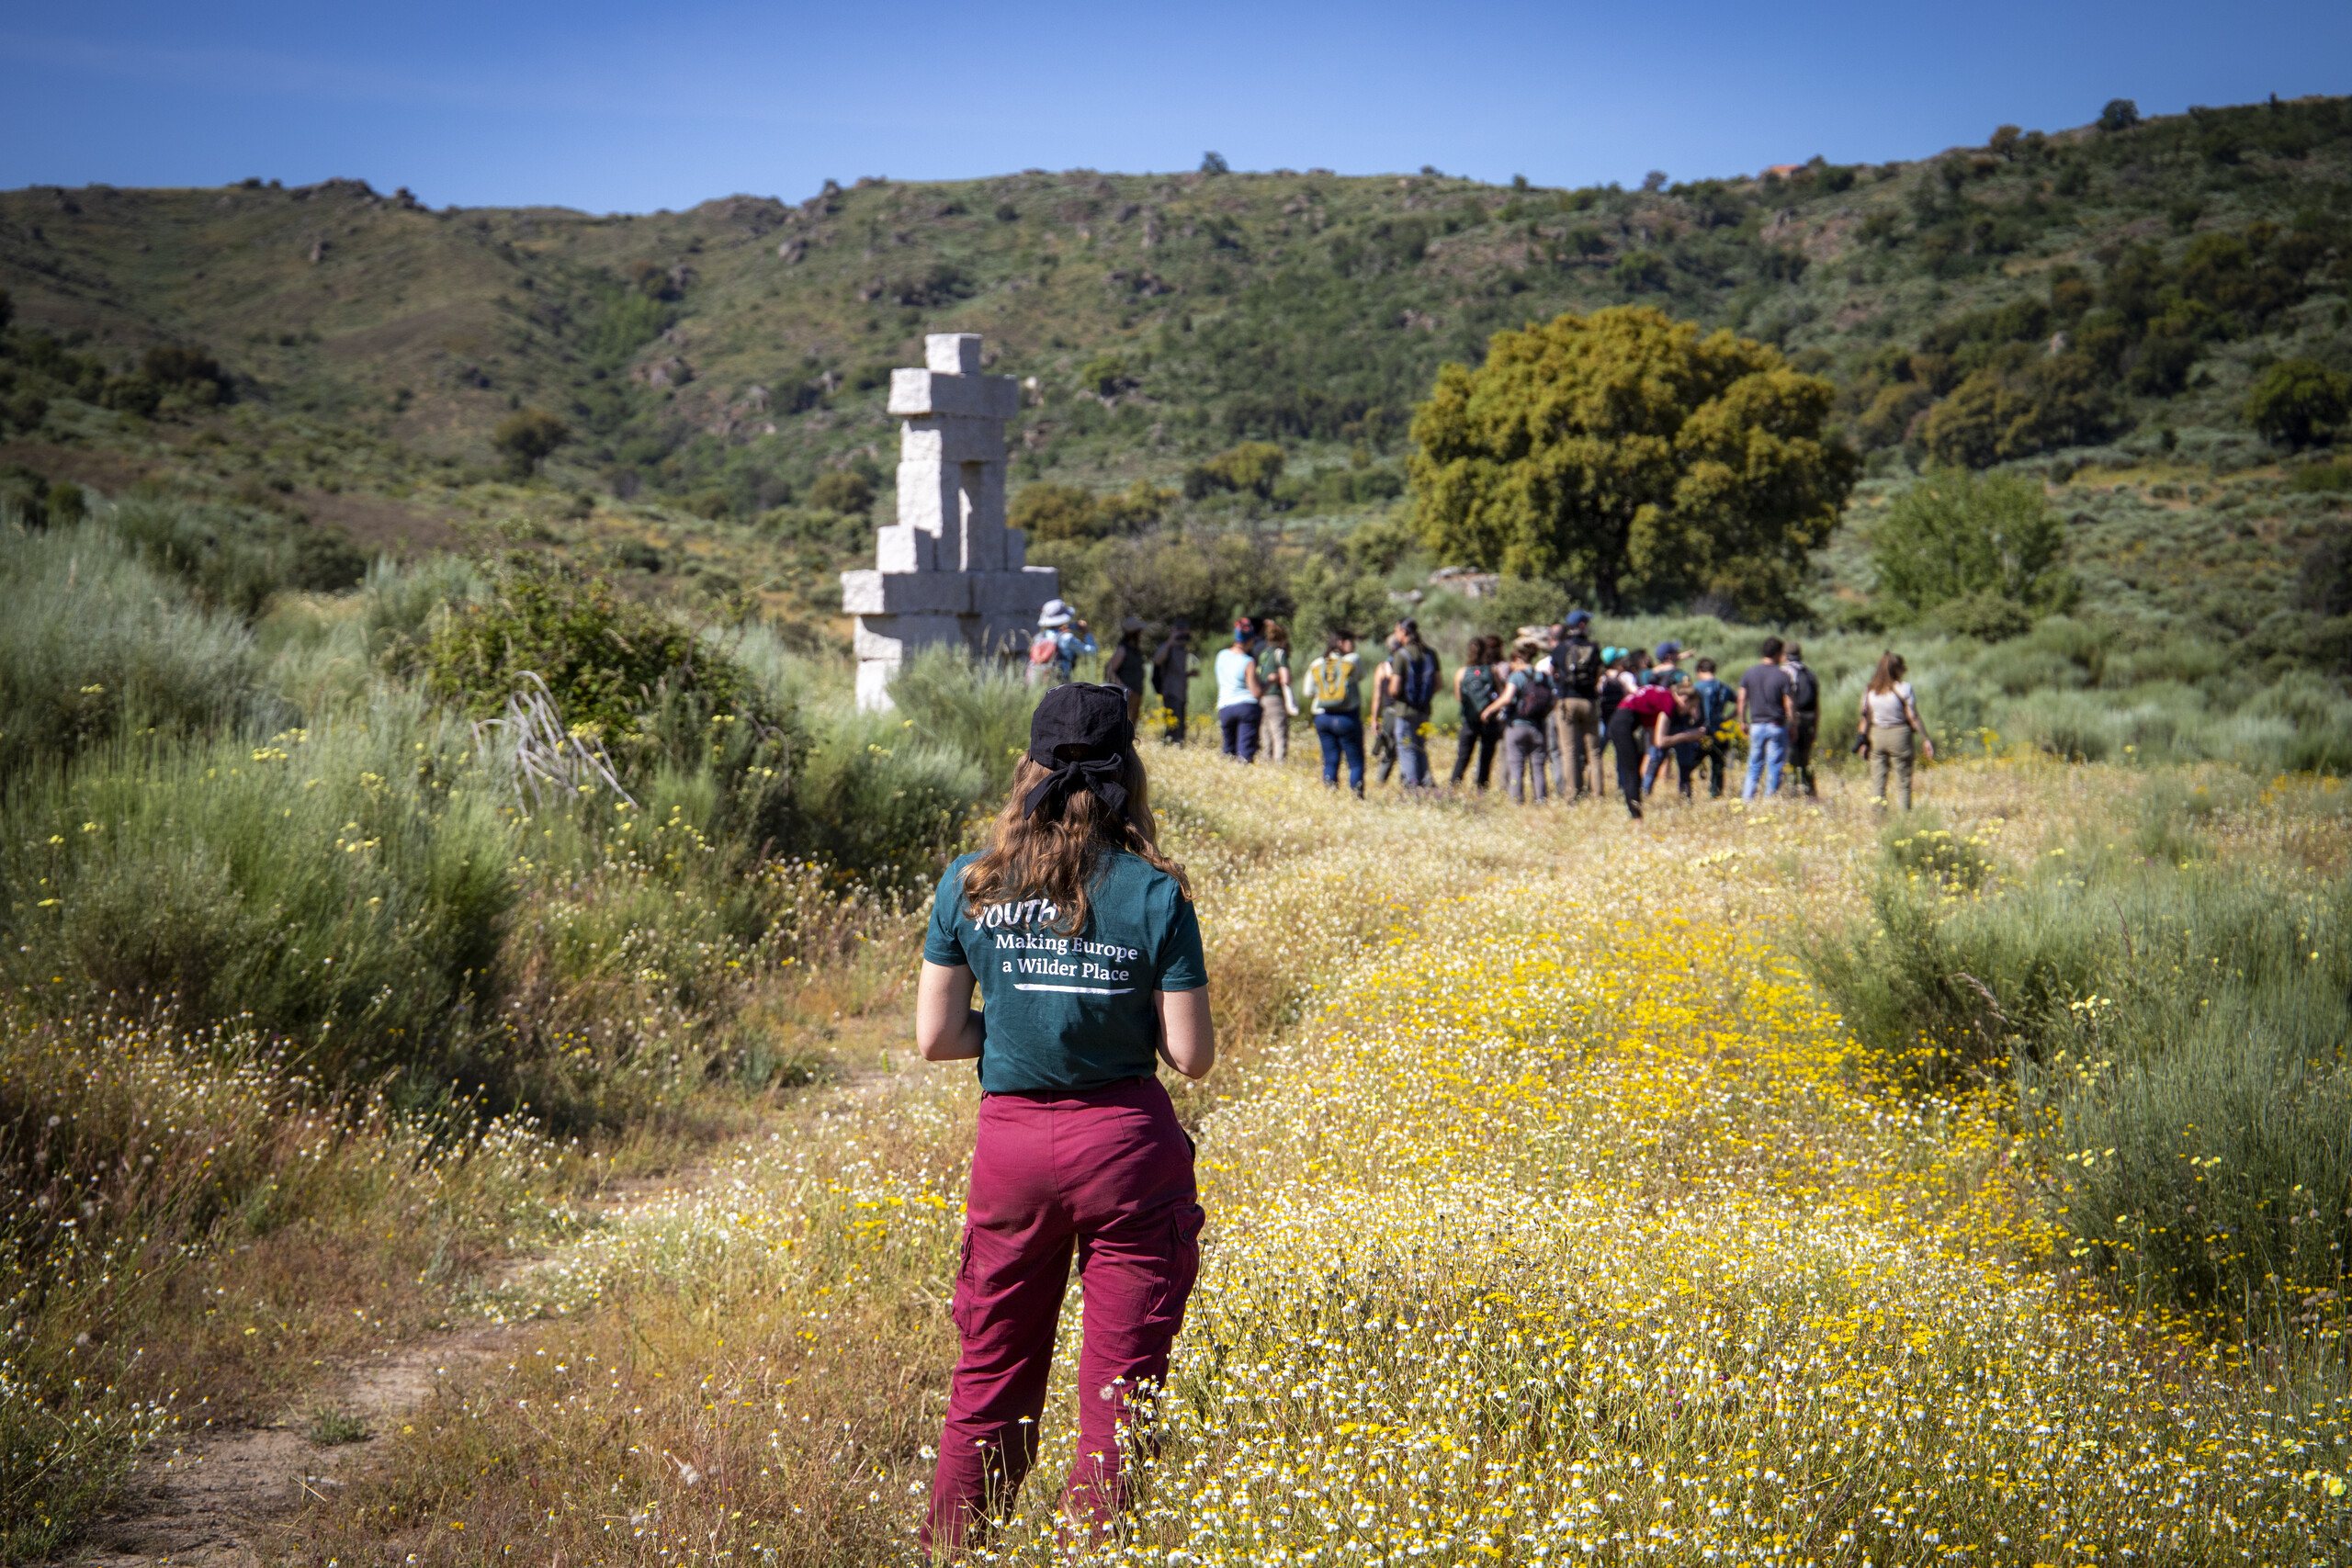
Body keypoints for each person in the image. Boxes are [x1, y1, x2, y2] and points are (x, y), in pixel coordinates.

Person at [916, 682, 1213, 1551]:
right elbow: (1189, 1054)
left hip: (1011, 1147)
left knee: (990, 1368)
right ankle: (1093, 1546)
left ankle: (957, 1547)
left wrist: (1010, 1024)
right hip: (1124, 1148)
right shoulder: (1157, 893)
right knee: (1121, 1386)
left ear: (1031, 769)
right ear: (1128, 771)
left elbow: (936, 1036)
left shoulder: (971, 881)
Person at [1609, 680, 1707, 823]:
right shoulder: (1669, 702)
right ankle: (1637, 819)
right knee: (1632, 772)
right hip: (1623, 724)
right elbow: (1661, 741)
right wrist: (1689, 735)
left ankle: (1635, 811)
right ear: (1684, 699)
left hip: (1623, 720)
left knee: (1635, 768)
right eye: (1691, 707)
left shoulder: (1664, 695)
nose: (1689, 712)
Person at [1370, 618, 1441, 792]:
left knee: (1407, 749)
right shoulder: (1431, 653)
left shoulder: (1402, 655)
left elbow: (1394, 689)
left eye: (1396, 631)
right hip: (1424, 710)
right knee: (1420, 747)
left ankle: (1412, 788)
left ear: (1403, 632)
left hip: (1404, 711)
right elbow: (1438, 684)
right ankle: (1426, 785)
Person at [1859, 651, 1934, 809]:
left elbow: (1865, 718)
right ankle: (1903, 820)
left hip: (1876, 736)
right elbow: (1912, 717)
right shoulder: (1905, 688)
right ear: (1898, 669)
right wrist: (1925, 738)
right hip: (1900, 735)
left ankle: (1878, 819)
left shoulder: (1870, 690)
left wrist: (1862, 741)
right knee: (1903, 782)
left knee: (1877, 783)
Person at [1545, 612, 1605, 801]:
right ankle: (1597, 795)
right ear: (1581, 625)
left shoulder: (1560, 648)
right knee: (1594, 752)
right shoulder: (1593, 648)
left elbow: (1553, 673)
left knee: (1569, 750)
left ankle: (1572, 794)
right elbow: (1598, 675)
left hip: (1567, 701)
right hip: (1588, 701)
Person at [1487, 638, 1554, 805]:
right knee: (1538, 768)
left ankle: (1516, 801)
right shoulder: (1544, 677)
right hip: (1538, 727)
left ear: (1518, 659)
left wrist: (1489, 710)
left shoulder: (1517, 676)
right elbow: (1555, 698)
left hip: (1517, 725)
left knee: (1516, 767)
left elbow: (1507, 698)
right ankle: (1541, 800)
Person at [1304, 628, 1366, 795]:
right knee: (1355, 762)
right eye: (1350, 641)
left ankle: (1330, 795)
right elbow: (1361, 676)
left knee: (1330, 760)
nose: (1353, 645)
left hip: (1322, 717)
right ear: (1340, 642)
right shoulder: (1353, 660)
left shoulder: (1317, 663)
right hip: (1347, 717)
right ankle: (1356, 796)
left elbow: (1308, 692)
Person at [1736, 637, 1794, 801]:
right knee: (1775, 765)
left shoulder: (1749, 673)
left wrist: (1742, 721)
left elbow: (1741, 699)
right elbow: (1789, 703)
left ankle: (1747, 799)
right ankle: (1771, 800)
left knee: (1754, 765)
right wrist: (1793, 724)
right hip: (1776, 725)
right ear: (1777, 653)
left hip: (1756, 725)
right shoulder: (1782, 675)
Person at [1451, 634, 1503, 791]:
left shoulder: (1461, 673)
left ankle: (1454, 785)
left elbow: (1459, 697)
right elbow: (1500, 693)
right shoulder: (1492, 671)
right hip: (1489, 719)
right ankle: (1482, 788)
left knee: (1463, 756)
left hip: (1469, 719)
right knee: (1486, 757)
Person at [1214, 619, 1266, 762]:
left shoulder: (1221, 656)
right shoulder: (1248, 661)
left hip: (1225, 706)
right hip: (1246, 707)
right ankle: (1243, 772)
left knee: (1228, 750)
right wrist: (1269, 682)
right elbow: (1255, 692)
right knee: (1245, 751)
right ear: (1250, 640)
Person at [1690, 657, 1736, 799]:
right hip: (1719, 731)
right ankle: (1715, 793)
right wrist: (1729, 717)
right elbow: (1740, 701)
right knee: (1718, 765)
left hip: (1700, 732)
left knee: (1690, 763)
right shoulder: (1723, 687)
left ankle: (1685, 791)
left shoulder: (1696, 687)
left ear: (1699, 671)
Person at [1783, 641, 1821, 798]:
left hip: (1792, 720)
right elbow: (1817, 706)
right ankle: (1810, 792)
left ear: (1784, 655)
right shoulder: (1810, 673)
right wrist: (1816, 729)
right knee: (1804, 759)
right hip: (1808, 720)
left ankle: (1790, 794)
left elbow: (1787, 700)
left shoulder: (1785, 672)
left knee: (1788, 759)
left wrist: (1790, 723)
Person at [1255, 619, 1296, 765]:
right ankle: (1279, 765)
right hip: (1275, 696)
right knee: (1279, 733)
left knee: (1265, 733)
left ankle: (1266, 762)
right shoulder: (1280, 653)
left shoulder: (1263, 654)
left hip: (1262, 696)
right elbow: (1285, 678)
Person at [1028, 599, 1095, 687]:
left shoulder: (1039, 637)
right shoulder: (1066, 638)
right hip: (1060, 684)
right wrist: (1087, 633)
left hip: (1038, 684)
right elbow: (1091, 651)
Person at [1150, 619, 1195, 745]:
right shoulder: (1167, 647)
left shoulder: (1182, 648)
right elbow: (1157, 660)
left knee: (1181, 725)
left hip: (1181, 692)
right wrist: (1171, 641)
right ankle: (1170, 746)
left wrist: (1189, 674)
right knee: (1173, 726)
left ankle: (1178, 746)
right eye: (1180, 632)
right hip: (1171, 691)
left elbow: (1177, 671)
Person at [1103, 615, 1148, 726]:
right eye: (1139, 631)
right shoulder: (1122, 649)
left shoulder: (1134, 649)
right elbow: (1110, 670)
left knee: (1133, 724)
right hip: (1126, 695)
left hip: (1136, 692)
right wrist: (1124, 688)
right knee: (1125, 724)